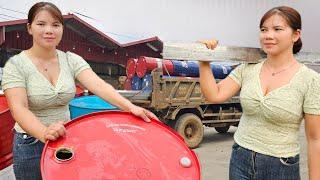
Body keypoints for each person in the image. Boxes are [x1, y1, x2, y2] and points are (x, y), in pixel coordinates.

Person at [1, 2, 158, 180]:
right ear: (29, 28)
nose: (49, 30)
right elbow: (19, 109)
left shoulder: (71, 60)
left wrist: (130, 107)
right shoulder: (16, 65)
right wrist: (44, 133)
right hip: (30, 144)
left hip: (65, 139)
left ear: (62, 29)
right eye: (41, 24)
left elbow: (98, 86)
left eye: (55, 24)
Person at [199, 6, 320, 180]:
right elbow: (214, 95)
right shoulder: (248, 68)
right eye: (264, 30)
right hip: (241, 158)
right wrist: (204, 61)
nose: (268, 35)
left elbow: (315, 140)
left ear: (295, 35)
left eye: (277, 29)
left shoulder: (311, 80)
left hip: (281, 167)